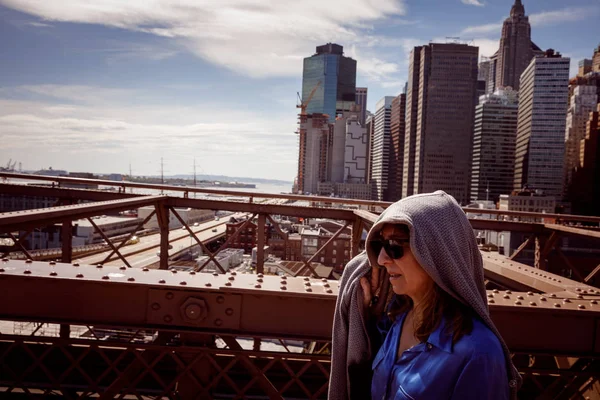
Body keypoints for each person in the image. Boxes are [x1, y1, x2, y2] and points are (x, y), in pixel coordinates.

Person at [329, 191, 520, 400]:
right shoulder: (399, 317)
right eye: (379, 245)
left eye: (394, 247)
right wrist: (367, 314)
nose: (382, 259)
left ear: (436, 253)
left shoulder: (479, 354)